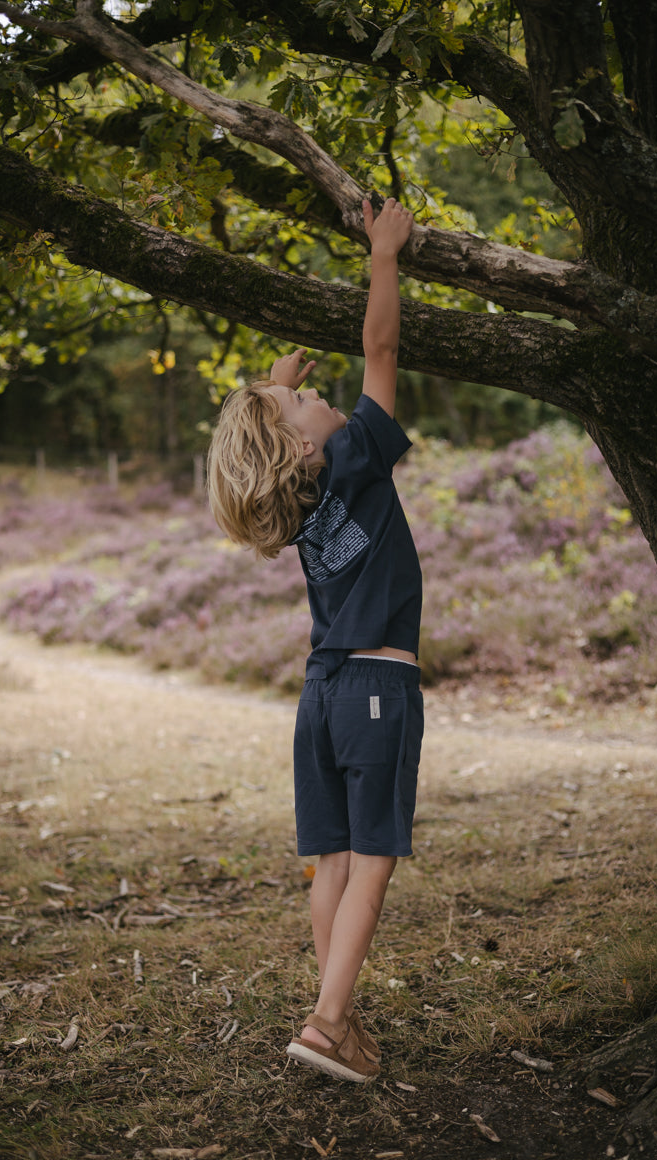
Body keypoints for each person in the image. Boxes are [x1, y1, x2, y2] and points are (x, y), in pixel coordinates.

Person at [207, 196, 423, 1083]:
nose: (318, 393)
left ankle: (340, 1019)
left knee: (332, 861)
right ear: (302, 447)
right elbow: (380, 350)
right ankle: (328, 1022)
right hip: (377, 686)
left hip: (321, 698)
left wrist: (270, 384)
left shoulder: (294, 503)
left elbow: (274, 445)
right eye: (305, 400)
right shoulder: (355, 459)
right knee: (372, 863)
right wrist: (383, 254)